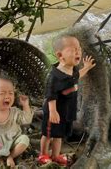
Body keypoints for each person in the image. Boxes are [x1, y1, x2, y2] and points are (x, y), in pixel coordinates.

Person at [38, 34, 96, 166]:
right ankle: (43, 154)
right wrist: (52, 111)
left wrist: (86, 67)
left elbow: (77, 76)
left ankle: (55, 155)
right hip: (53, 112)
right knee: (47, 134)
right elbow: (50, 95)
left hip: (66, 111)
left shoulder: (72, 70)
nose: (78, 52)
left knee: (59, 135)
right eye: (73, 49)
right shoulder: (54, 76)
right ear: (60, 56)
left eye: (79, 49)